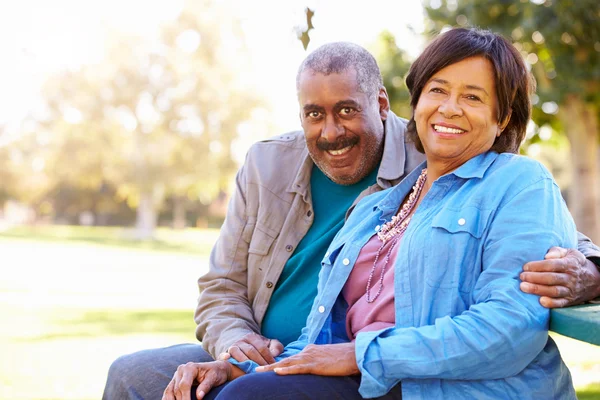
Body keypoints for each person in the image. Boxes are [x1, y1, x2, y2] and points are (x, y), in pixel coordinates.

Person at [103, 37, 600, 400]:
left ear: (383, 105)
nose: (331, 130)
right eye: (313, 114)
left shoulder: (496, 175)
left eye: (473, 97)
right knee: (135, 377)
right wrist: (236, 358)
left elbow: (541, 258)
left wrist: (595, 271)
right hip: (305, 353)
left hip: (402, 373)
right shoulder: (380, 198)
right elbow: (234, 290)